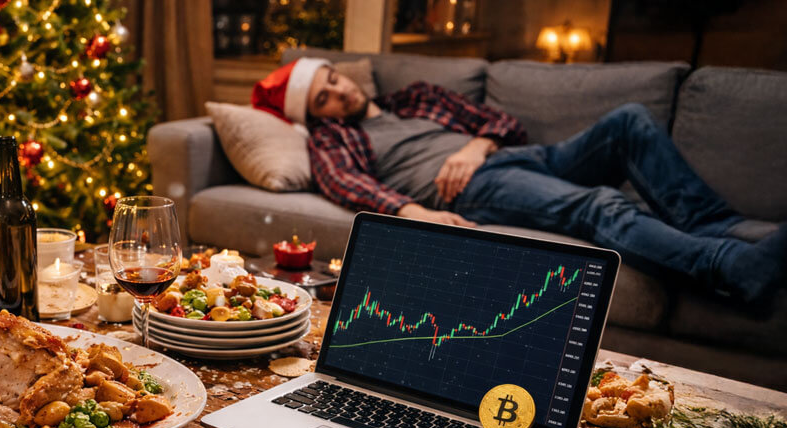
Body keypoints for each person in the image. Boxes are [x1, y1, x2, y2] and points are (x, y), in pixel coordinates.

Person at [250, 58, 787, 305]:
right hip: (476, 190)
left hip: (518, 158)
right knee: (600, 204)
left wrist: (474, 144)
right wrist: (418, 213)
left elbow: (504, 124)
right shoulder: (333, 139)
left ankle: (716, 225)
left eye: (334, 79)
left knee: (629, 121)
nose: (338, 93)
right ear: (316, 115)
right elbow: (348, 186)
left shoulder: (413, 97)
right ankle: (730, 268)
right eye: (322, 97)